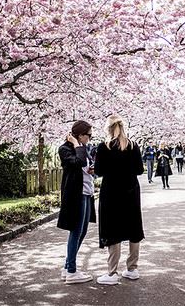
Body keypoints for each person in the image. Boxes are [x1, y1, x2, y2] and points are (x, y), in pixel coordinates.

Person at [95, 114, 145, 285]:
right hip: (131, 190)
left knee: (112, 227)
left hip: (111, 191)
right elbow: (139, 170)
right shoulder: (133, 145)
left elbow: (99, 171)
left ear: (108, 129)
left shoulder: (103, 147)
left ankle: (112, 272)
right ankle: (132, 268)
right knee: (133, 226)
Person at [57, 120, 96, 284]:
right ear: (80, 135)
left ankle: (67, 268)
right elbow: (77, 162)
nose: (90, 138)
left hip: (87, 192)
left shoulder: (82, 147)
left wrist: (91, 169)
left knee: (83, 230)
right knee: (76, 230)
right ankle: (72, 271)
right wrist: (76, 145)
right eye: (89, 135)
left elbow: (83, 166)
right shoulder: (65, 149)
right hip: (76, 194)